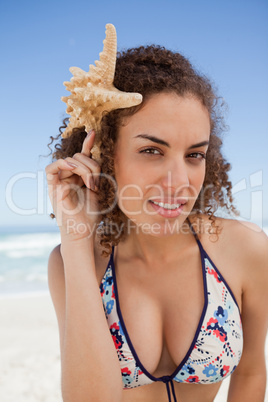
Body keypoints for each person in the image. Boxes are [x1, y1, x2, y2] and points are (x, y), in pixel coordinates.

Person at [45, 24, 268, 402]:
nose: (179, 181)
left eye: (194, 155)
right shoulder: (72, 262)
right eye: (152, 151)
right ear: (103, 153)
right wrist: (76, 239)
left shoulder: (247, 250)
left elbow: (251, 372)